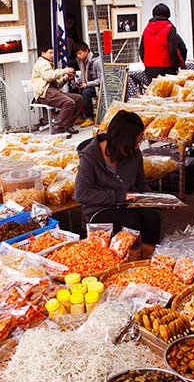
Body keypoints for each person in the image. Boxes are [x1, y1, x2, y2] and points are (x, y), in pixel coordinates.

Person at [74, 110, 160, 245]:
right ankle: (131, 260)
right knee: (130, 223)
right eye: (135, 142)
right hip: (100, 210)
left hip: (127, 204)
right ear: (121, 141)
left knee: (152, 217)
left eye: (139, 141)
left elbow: (140, 183)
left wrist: (157, 200)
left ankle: (149, 258)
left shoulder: (134, 153)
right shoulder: (90, 157)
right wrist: (119, 196)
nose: (138, 146)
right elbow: (81, 194)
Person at [31, 44, 84, 136]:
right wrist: (64, 70)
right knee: (69, 103)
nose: (52, 55)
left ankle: (67, 125)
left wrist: (66, 78)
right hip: (45, 93)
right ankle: (58, 128)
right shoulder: (42, 63)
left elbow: (56, 84)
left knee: (79, 99)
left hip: (52, 91)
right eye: (50, 53)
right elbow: (48, 76)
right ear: (43, 53)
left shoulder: (48, 63)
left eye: (53, 53)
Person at [138, 3, 188, 82]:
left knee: (154, 92)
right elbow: (173, 50)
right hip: (167, 68)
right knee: (169, 93)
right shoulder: (170, 28)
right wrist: (176, 66)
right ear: (168, 15)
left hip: (150, 69)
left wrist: (147, 64)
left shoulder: (146, 29)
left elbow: (141, 50)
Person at [74, 42, 102, 124]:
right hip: (87, 84)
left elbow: (101, 79)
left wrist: (87, 84)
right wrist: (77, 80)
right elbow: (84, 75)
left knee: (86, 93)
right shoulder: (81, 61)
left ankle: (90, 117)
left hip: (97, 86)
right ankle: (81, 115)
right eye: (77, 54)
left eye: (80, 53)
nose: (78, 56)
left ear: (86, 51)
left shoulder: (97, 61)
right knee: (74, 92)